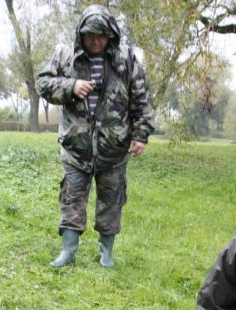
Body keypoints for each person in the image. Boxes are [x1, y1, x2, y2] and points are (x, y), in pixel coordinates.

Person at [36, 4, 155, 268]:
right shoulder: (65, 55)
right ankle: (68, 251)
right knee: (71, 197)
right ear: (82, 34)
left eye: (102, 35)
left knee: (111, 200)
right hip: (75, 148)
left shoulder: (128, 60)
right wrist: (70, 86)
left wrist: (141, 135)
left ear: (111, 35)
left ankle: (106, 253)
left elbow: (142, 99)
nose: (97, 40)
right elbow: (43, 83)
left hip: (114, 149)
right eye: (91, 35)